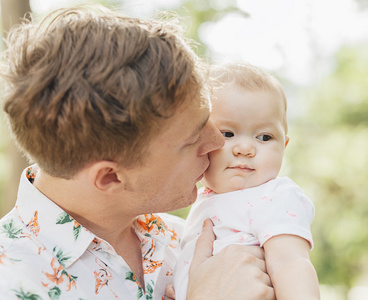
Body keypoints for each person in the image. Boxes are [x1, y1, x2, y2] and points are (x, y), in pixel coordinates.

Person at [0, 5, 275, 300]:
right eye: (192, 139)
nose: (217, 142)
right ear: (110, 177)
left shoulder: (189, 237)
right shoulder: (13, 283)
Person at [173, 62, 320, 300]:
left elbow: (290, 263)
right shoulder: (203, 198)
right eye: (227, 134)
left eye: (264, 137)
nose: (245, 148)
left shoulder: (274, 196)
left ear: (283, 147)